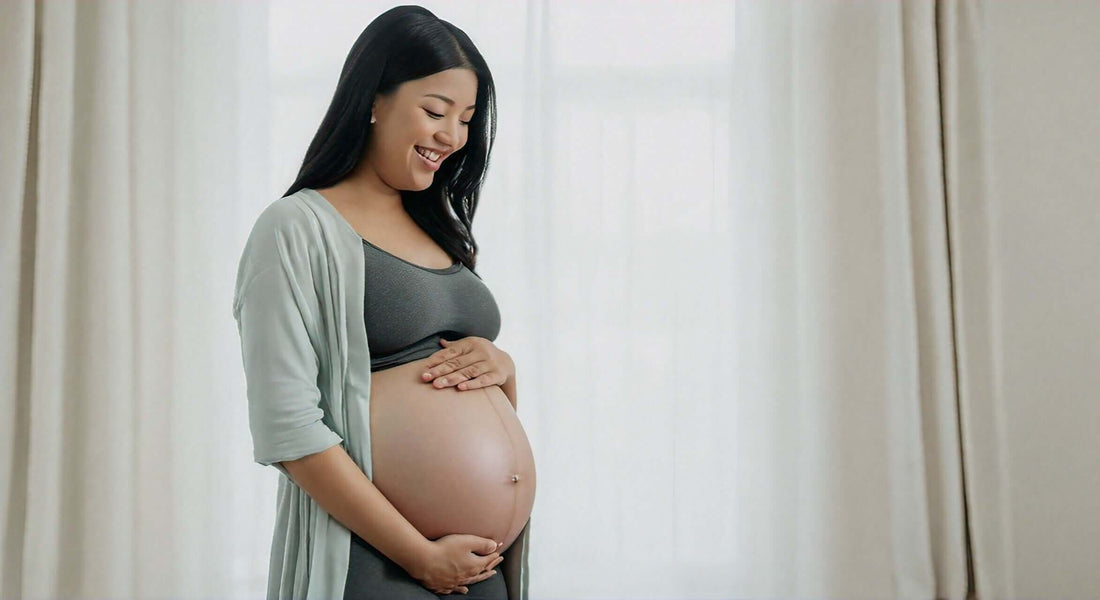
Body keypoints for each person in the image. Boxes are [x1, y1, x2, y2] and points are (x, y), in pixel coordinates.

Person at [232, 5, 530, 599]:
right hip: (378, 566)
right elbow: (288, 428)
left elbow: (468, 389)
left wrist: (503, 370)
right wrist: (419, 556)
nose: (453, 136)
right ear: (373, 99)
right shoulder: (295, 229)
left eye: (467, 119)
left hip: (479, 570)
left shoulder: (439, 230)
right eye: (434, 111)